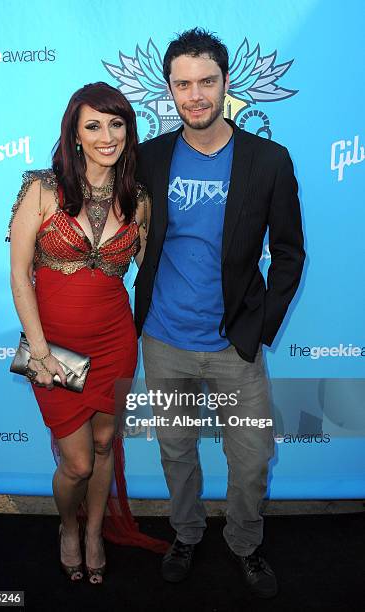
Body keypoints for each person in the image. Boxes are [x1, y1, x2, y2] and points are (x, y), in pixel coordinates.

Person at [135, 28, 305, 598]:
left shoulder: (268, 160)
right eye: (183, 84)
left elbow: (289, 253)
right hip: (163, 340)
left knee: (252, 457)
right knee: (176, 449)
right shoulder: (150, 157)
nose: (195, 95)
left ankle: (244, 543)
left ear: (226, 84)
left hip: (235, 343)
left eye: (206, 81)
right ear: (170, 91)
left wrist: (260, 329)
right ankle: (185, 532)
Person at [9, 82, 167, 585]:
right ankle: (67, 526)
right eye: (93, 125)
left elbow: (150, 271)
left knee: (104, 444)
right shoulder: (42, 188)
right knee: (76, 462)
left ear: (128, 131)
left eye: (116, 124)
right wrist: (38, 351)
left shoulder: (137, 199)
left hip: (115, 342)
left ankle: (94, 531)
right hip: (52, 348)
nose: (106, 135)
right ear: (75, 134)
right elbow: (19, 275)